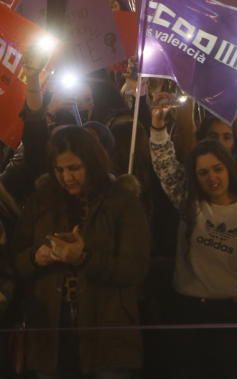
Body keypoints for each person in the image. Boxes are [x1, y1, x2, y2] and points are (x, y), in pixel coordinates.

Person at [149, 104, 237, 379]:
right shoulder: (190, 204)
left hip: (232, 313)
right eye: (203, 173)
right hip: (188, 310)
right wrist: (158, 127)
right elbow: (165, 167)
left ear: (229, 168)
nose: (212, 178)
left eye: (217, 169)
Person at [14, 126, 150, 379]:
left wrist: (84, 257)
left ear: (92, 162)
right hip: (50, 332)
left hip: (107, 330)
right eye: (59, 169)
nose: (67, 177)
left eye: (74, 168)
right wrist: (36, 257)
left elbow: (135, 269)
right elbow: (15, 261)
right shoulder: (41, 202)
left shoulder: (122, 202)